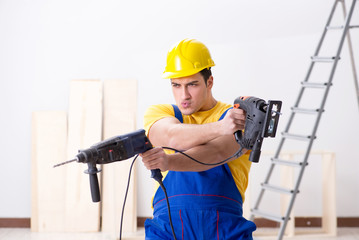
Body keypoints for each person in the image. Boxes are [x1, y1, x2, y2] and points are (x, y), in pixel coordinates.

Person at [141, 38, 257, 239]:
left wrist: (169, 161)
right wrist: (221, 128)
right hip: (169, 228)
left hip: (224, 228)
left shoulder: (238, 117)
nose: (183, 95)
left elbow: (216, 152)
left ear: (209, 82)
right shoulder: (159, 112)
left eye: (192, 84)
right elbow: (172, 137)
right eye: (176, 85)